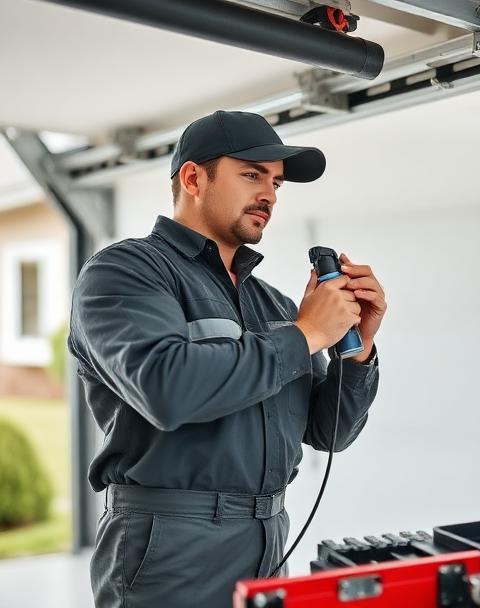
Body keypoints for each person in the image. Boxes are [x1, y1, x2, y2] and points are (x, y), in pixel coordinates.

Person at [68, 110, 385, 607]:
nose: (270, 195)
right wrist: (306, 333)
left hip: (268, 540)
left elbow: (330, 433)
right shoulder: (124, 272)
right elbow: (167, 389)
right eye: (252, 175)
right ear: (194, 178)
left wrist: (357, 351)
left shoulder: (276, 305)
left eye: (276, 183)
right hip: (170, 548)